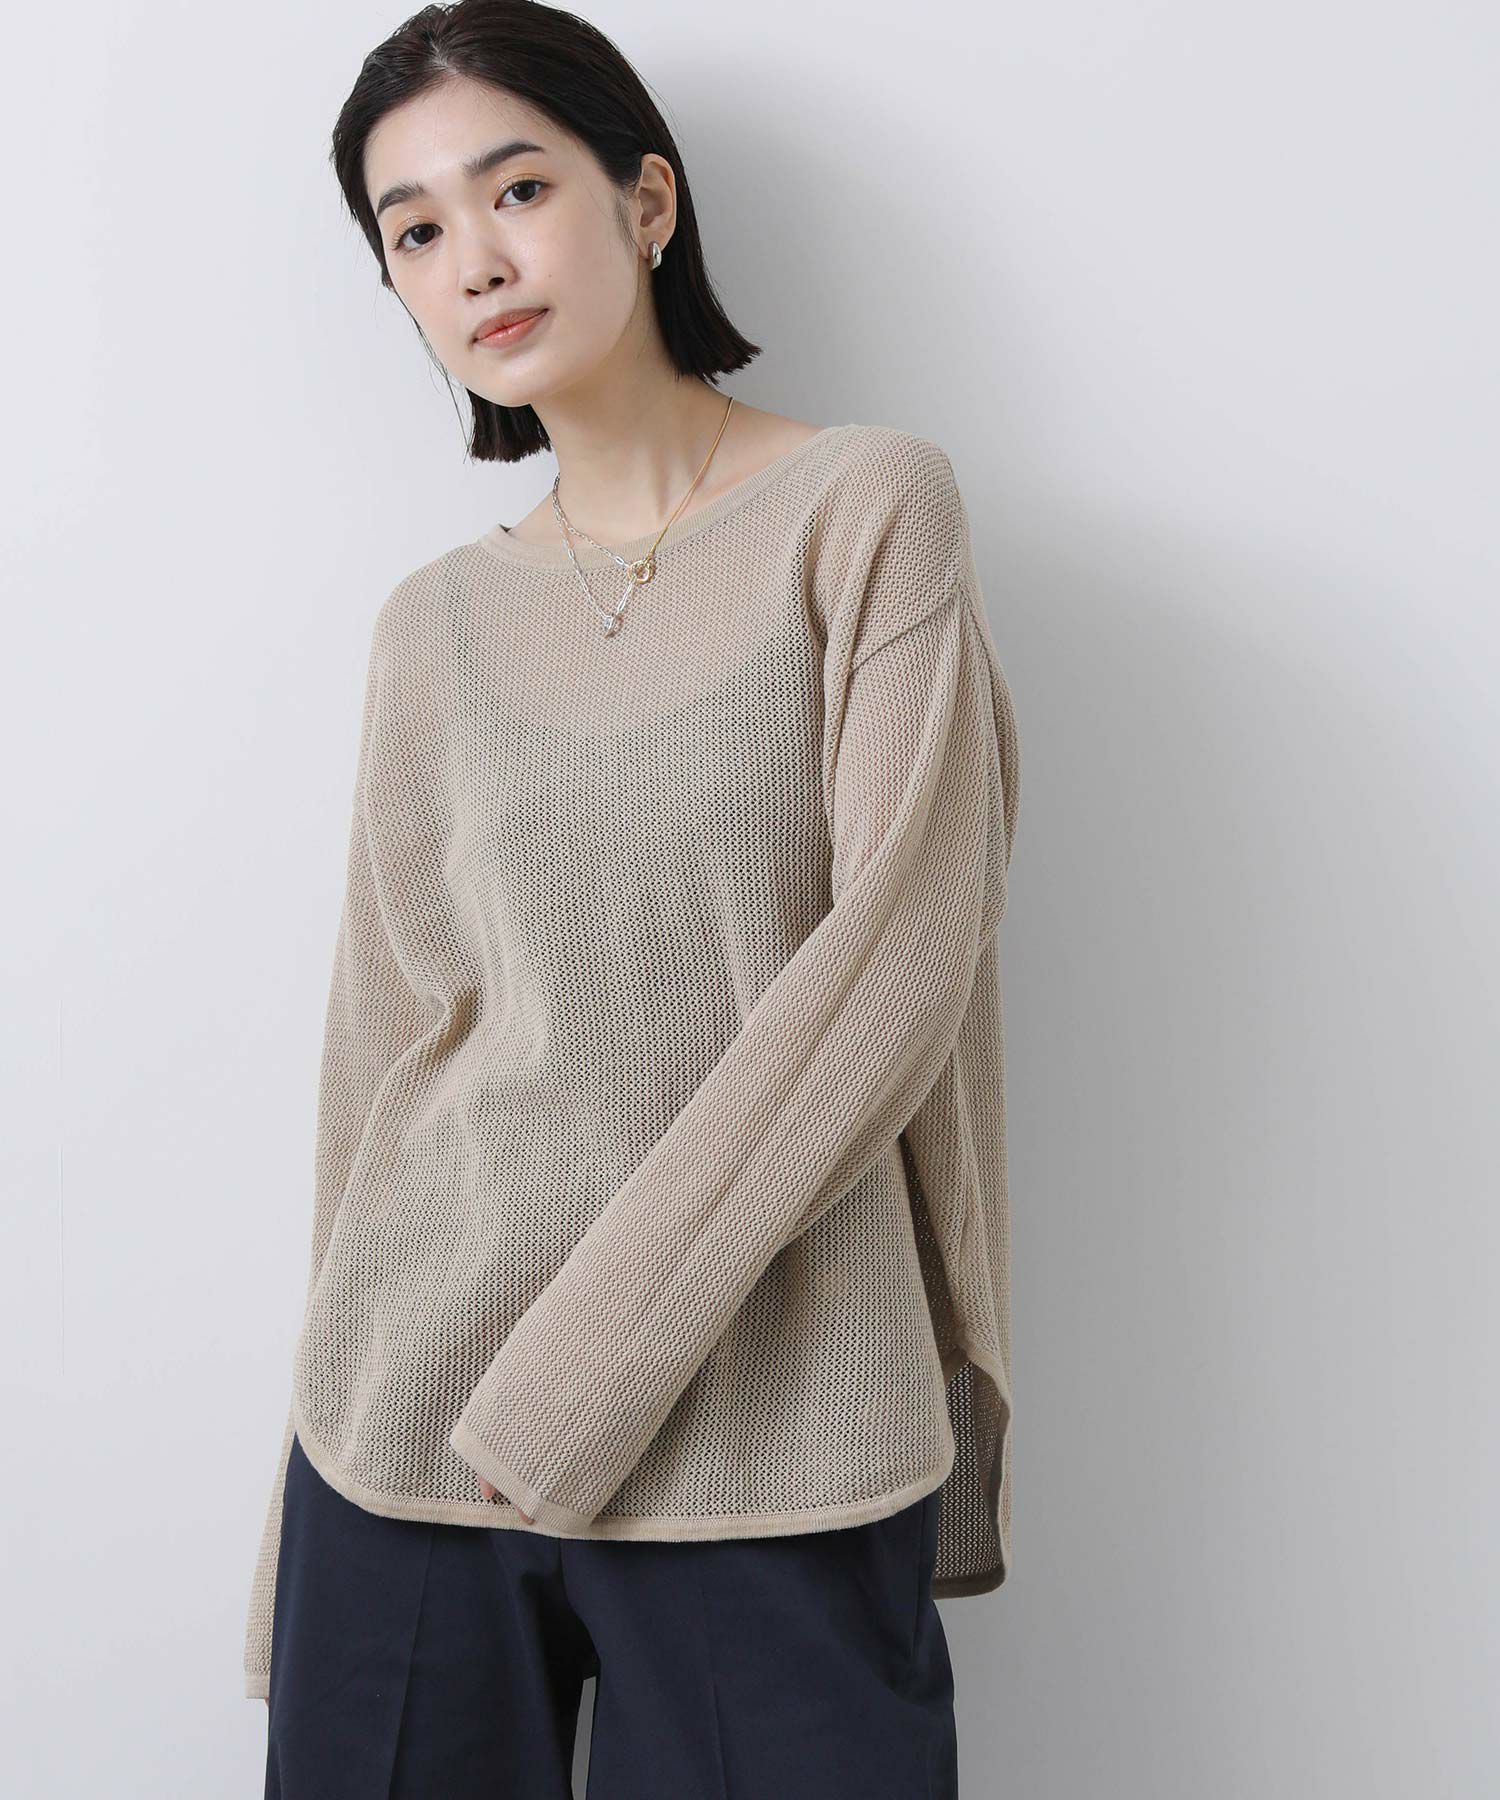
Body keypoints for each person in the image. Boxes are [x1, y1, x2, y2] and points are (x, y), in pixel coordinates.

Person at [244, 3, 1021, 1794]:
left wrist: (583, 1374)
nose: (474, 259)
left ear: (647, 201)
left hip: (772, 1425)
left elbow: (896, 963)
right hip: (413, 1432)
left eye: (517, 189)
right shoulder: (434, 624)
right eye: (415, 231)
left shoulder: (864, 510)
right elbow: (380, 1058)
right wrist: (309, 1503)